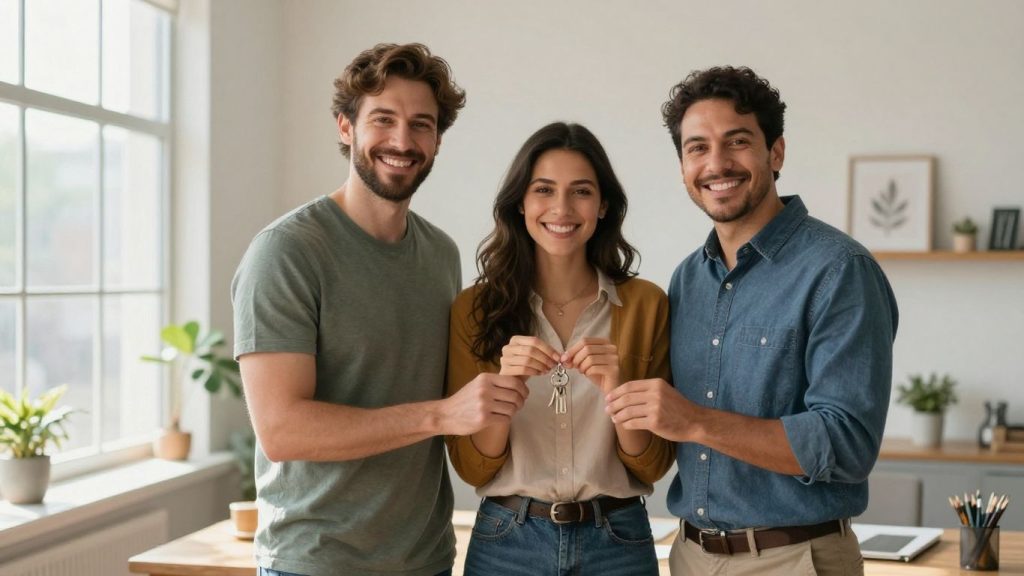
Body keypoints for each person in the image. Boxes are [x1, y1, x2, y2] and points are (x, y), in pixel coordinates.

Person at [231, 43, 529, 576]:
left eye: (421, 125)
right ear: (346, 128)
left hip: (427, 559)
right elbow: (282, 430)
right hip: (316, 563)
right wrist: (442, 414)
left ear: (437, 140)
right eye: (383, 120)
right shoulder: (287, 251)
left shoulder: (440, 253)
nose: (402, 141)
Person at [606, 66, 899, 575]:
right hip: (690, 555)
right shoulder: (686, 280)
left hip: (794, 559)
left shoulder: (839, 270)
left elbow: (847, 444)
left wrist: (695, 422)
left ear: (775, 153)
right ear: (682, 166)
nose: (716, 163)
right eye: (697, 147)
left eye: (736, 141)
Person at [446, 122, 675, 576]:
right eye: (544, 190)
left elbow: (652, 465)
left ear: (604, 205)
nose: (562, 208)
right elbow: (473, 468)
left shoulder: (647, 304)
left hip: (619, 542)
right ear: (521, 203)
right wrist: (505, 388)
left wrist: (617, 389)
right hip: (506, 543)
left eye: (582, 192)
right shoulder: (474, 308)